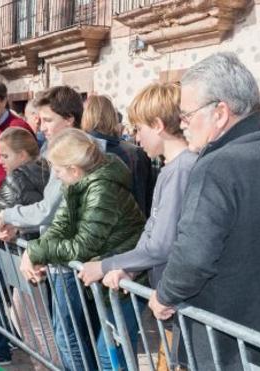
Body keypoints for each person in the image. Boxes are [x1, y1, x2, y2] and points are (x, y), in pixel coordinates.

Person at [147, 52, 260, 370]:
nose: (184, 126)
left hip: (228, 345)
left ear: (219, 112)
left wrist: (164, 295)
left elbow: (193, 256)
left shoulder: (216, 166)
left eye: (187, 116)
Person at [79, 82, 197, 370]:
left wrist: (105, 265)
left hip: (179, 295)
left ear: (158, 125)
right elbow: (152, 228)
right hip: (166, 290)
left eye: (138, 127)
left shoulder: (183, 169)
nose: (134, 135)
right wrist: (130, 266)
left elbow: (162, 243)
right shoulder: (172, 167)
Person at [20, 128, 145, 371]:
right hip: (108, 279)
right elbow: (61, 224)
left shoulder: (102, 189)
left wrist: (37, 252)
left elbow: (83, 246)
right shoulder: (79, 184)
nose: (55, 176)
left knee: (111, 356)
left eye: (57, 171)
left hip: (127, 277)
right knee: (106, 353)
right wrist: (32, 251)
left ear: (74, 170)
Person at [0, 126, 58, 370]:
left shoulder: (18, 176)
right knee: (31, 318)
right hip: (38, 253)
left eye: (5, 156)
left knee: (34, 321)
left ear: (22, 155)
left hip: (29, 258)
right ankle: (42, 364)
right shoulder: (49, 171)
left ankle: (46, 365)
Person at [0, 86, 83, 242]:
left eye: (48, 120)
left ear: (69, 119)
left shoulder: (71, 154)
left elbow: (49, 210)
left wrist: (7, 215)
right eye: (41, 121)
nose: (42, 128)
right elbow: (59, 214)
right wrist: (20, 226)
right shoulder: (70, 148)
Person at [82, 95, 154, 216]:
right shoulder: (135, 152)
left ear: (86, 116)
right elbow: (143, 199)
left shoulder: (81, 150)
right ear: (113, 117)